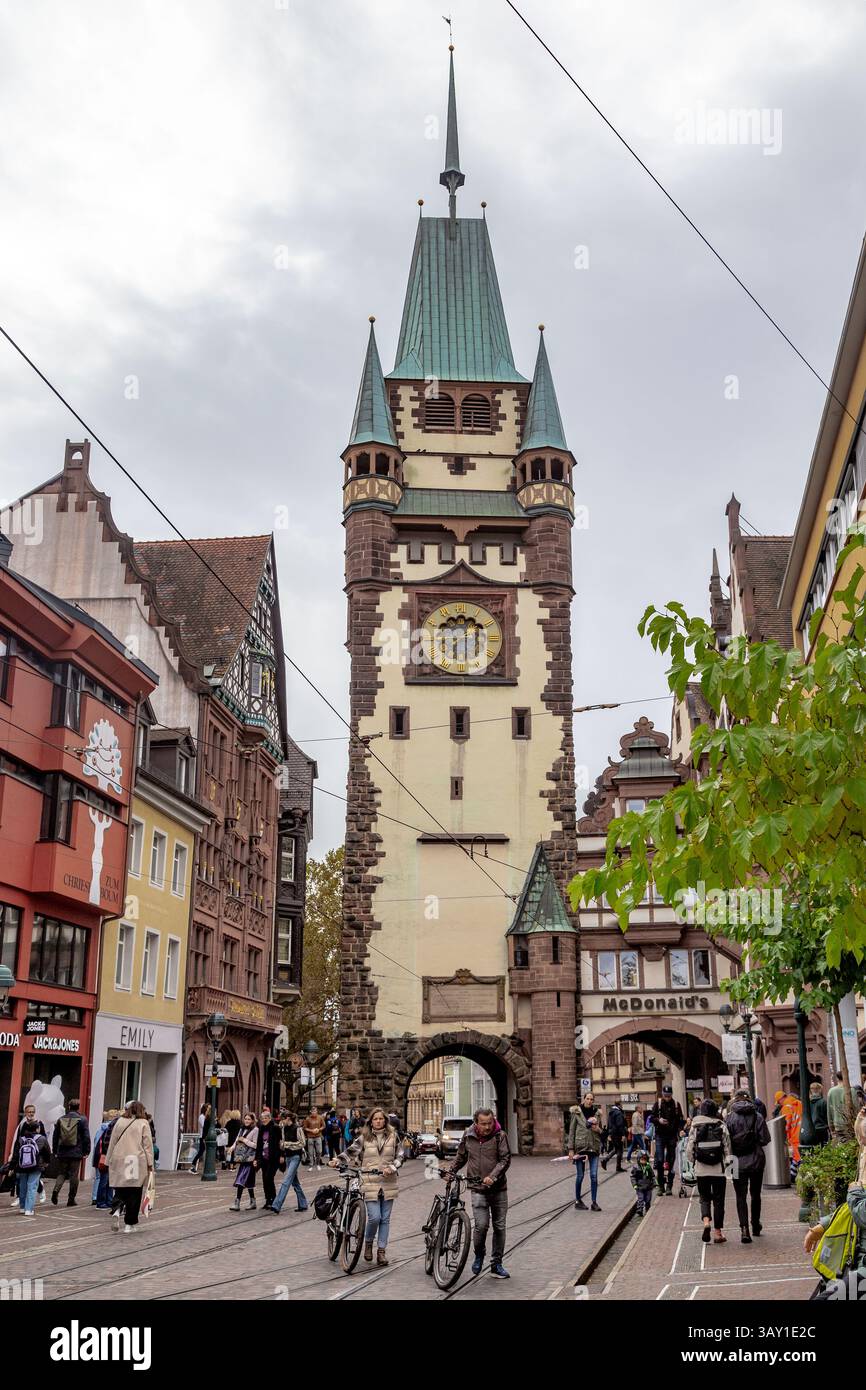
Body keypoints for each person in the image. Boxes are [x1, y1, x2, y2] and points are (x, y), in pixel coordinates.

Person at [334, 1106, 403, 1267]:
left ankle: (381, 1251)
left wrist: (393, 1167)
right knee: (374, 1217)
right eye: (375, 1119)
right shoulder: (364, 1137)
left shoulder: (393, 1136)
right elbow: (351, 1151)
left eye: (381, 1119)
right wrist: (338, 1160)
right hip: (370, 1180)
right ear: (371, 1121)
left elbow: (400, 1155)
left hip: (388, 1181)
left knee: (385, 1219)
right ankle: (368, 1242)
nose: (378, 1121)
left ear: (385, 1120)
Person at [450, 1106, 511, 1279]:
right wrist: (451, 1171)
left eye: (490, 1123)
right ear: (476, 1123)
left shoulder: (500, 1135)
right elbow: (461, 1156)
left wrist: (493, 1176)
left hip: (498, 1189)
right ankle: (479, 1254)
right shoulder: (468, 1135)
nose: (487, 1127)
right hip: (477, 1188)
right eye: (483, 1124)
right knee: (481, 1226)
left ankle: (496, 1264)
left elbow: (505, 1159)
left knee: (499, 1227)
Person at [804, 1181, 866, 1298]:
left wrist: (854, 1191)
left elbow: (862, 1213)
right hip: (856, 1262)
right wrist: (824, 1225)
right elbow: (850, 1208)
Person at [725, 1089, 771, 1243]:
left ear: (735, 1101)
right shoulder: (757, 1116)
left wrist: (727, 1168)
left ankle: (744, 1229)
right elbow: (765, 1139)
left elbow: (726, 1144)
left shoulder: (729, 1118)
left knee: (740, 1196)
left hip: (736, 1161)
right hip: (757, 1160)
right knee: (755, 1194)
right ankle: (756, 1225)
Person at [686, 1098, 732, 1244]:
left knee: (704, 1198)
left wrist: (694, 1162)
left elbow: (689, 1148)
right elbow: (727, 1148)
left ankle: (706, 1222)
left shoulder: (695, 1126)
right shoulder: (721, 1125)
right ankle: (718, 1233)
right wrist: (729, 1168)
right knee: (719, 1201)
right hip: (718, 1169)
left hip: (701, 1170)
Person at [106, 1101, 153, 1233]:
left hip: (119, 1159)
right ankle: (129, 1224)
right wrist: (150, 1164)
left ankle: (116, 1210)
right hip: (135, 1160)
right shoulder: (143, 1123)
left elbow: (112, 1141)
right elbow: (147, 1145)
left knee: (120, 1189)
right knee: (134, 1192)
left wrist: (108, 1160)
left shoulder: (119, 1121)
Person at [51, 1096, 90, 1207]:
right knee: (74, 1175)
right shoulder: (82, 1119)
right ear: (78, 1107)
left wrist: (55, 1150)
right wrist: (87, 1150)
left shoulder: (61, 1119)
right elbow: (86, 1136)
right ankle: (71, 1199)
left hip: (63, 1151)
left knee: (62, 1173)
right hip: (76, 1151)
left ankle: (56, 1190)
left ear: (69, 1106)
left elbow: (55, 1136)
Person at [7, 1103, 47, 1208]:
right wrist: (13, 1154)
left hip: (36, 1158)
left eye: (33, 1112)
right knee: (21, 1178)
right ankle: (20, 1198)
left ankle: (40, 1190)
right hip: (23, 1157)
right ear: (25, 1113)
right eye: (29, 1112)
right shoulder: (22, 1125)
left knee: (32, 1180)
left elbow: (44, 1140)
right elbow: (17, 1140)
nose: (31, 1114)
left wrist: (43, 1159)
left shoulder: (39, 1124)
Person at [270, 1110, 308, 1214]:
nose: (281, 1121)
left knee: (286, 1181)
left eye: (283, 1119)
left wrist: (287, 1144)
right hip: (288, 1157)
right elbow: (282, 1143)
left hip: (296, 1156)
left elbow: (302, 1143)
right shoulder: (283, 1129)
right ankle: (303, 1203)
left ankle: (277, 1205)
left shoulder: (298, 1129)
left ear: (288, 1119)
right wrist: (282, 1149)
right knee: (295, 1182)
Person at [568, 1098, 602, 1212]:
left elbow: (601, 1132)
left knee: (594, 1176)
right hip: (580, 1148)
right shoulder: (576, 1112)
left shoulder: (597, 1113)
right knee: (580, 1176)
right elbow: (572, 1131)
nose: (589, 1101)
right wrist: (571, 1149)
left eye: (592, 1099)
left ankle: (594, 1202)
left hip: (594, 1148)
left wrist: (598, 1129)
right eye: (588, 1098)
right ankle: (578, 1201)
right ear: (584, 1099)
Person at [11, 1119, 50, 1216]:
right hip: (36, 1166)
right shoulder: (42, 1138)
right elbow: (47, 1152)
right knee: (32, 1187)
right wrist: (46, 1162)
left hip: (22, 1166)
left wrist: (12, 1166)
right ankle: (29, 1209)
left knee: (23, 1186)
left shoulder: (21, 1139)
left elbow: (16, 1154)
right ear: (37, 1129)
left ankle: (22, 1207)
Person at [650, 1086, 684, 1195]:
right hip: (660, 1135)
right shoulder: (658, 1104)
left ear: (671, 1095)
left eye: (669, 1096)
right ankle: (661, 1186)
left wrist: (680, 1130)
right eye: (665, 1096)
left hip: (672, 1136)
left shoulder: (676, 1105)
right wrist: (658, 1120)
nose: (667, 1098)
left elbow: (680, 1120)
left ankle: (669, 1185)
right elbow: (651, 1118)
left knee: (671, 1160)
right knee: (660, 1160)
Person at [228, 1112, 259, 1211]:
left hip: (250, 1159)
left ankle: (237, 1202)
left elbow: (256, 1145)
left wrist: (245, 1140)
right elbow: (237, 1140)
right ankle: (252, 1201)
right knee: (249, 1182)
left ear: (253, 1120)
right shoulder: (241, 1129)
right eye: (245, 1119)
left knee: (240, 1180)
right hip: (242, 1158)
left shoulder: (255, 1130)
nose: (247, 1121)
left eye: (249, 1119)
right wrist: (231, 1148)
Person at [254, 1105, 282, 1210]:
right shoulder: (261, 1128)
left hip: (273, 1158)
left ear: (270, 1118)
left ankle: (274, 1199)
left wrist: (282, 1155)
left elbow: (280, 1142)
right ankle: (267, 1200)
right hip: (264, 1158)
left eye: (266, 1118)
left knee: (269, 1178)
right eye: (262, 1118)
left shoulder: (275, 1127)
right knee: (265, 1180)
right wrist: (257, 1158)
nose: (264, 1120)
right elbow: (259, 1144)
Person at [90, 1109, 118, 1209]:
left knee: (100, 1178)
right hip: (105, 1156)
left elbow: (96, 1142)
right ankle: (102, 1201)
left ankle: (97, 1198)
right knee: (105, 1179)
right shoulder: (110, 1128)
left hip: (99, 1156)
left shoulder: (101, 1128)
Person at [776, 1089, 802, 1178]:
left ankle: (800, 1177)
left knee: (798, 1156)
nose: (780, 1104)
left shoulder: (786, 1107)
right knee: (797, 1155)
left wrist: (784, 1135)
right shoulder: (798, 1102)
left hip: (795, 1134)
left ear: (780, 1099)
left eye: (779, 1102)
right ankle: (792, 1175)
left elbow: (787, 1123)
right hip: (802, 1132)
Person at [601, 1101, 627, 1173]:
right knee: (619, 1150)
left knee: (616, 1149)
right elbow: (620, 1124)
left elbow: (609, 1124)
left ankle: (605, 1160)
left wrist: (609, 1134)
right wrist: (623, 1135)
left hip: (613, 1133)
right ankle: (617, 1166)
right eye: (621, 1104)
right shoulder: (618, 1113)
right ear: (620, 1104)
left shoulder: (611, 1112)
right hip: (617, 1134)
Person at [630, 1149, 656, 1218]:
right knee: (640, 1199)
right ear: (638, 1159)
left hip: (648, 1187)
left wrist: (654, 1183)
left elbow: (652, 1176)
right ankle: (640, 1210)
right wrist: (635, 1184)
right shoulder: (636, 1168)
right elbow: (633, 1177)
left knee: (648, 1199)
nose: (643, 1161)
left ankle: (648, 1208)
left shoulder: (648, 1167)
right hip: (639, 1187)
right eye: (642, 1159)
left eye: (645, 1159)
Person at [826, 1072, 850, 1142]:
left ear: (837, 1078)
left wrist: (831, 1127)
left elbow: (829, 1111)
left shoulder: (831, 1091)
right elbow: (856, 1110)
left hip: (837, 1125)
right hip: (849, 1126)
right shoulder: (852, 1090)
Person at [189, 1103, 211, 1175]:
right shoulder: (202, 1116)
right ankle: (193, 1166)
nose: (209, 1110)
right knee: (201, 1152)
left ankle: (207, 1167)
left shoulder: (207, 1116)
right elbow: (204, 1126)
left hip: (207, 1136)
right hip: (203, 1136)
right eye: (208, 1108)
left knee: (204, 1152)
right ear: (205, 1109)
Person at [809, 1082, 829, 1147]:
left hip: (812, 1129)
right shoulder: (823, 1102)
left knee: (815, 1148)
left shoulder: (808, 1103)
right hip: (823, 1128)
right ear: (820, 1090)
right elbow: (827, 1116)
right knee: (825, 1148)